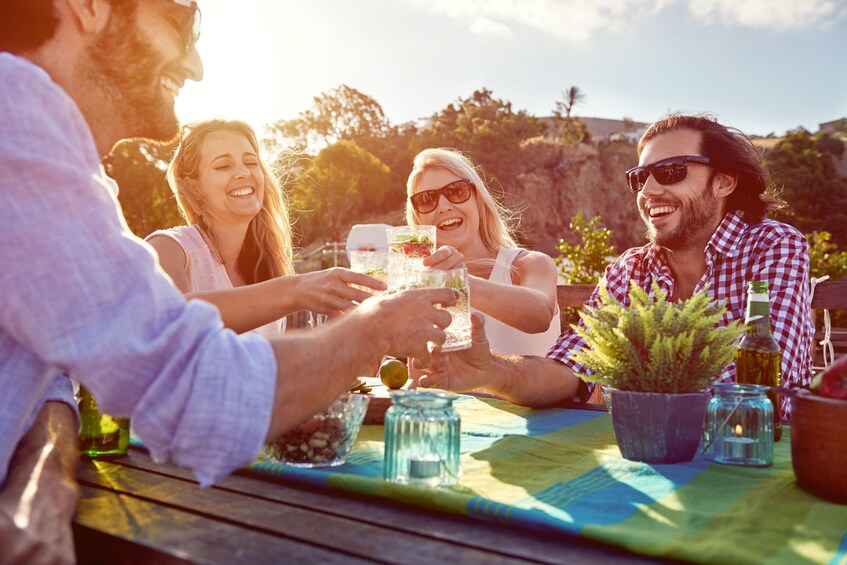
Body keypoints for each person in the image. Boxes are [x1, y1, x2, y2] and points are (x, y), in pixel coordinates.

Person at [0, 1, 454, 561]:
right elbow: (198, 391)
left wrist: (45, 455)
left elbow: (42, 371)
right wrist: (376, 328)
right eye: (182, 20)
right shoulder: (16, 116)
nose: (195, 67)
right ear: (88, 7)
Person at [418, 114, 814, 418]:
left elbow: (761, 390)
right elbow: (569, 367)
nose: (649, 190)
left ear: (724, 181)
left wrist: (627, 390)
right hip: (649, 454)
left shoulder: (772, 246)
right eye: (640, 178)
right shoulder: (631, 270)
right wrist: (490, 371)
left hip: (757, 463)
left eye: (671, 171)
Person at [146, 119, 383, 338]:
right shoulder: (168, 249)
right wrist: (296, 290)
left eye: (251, 162)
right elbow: (175, 321)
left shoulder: (266, 268)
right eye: (223, 166)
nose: (244, 173)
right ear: (194, 187)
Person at [407, 148, 561, 356]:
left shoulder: (529, 264)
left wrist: (459, 281)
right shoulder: (424, 286)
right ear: (418, 218)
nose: (443, 207)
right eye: (426, 199)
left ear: (478, 200)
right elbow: (422, 377)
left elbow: (540, 315)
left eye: (456, 191)